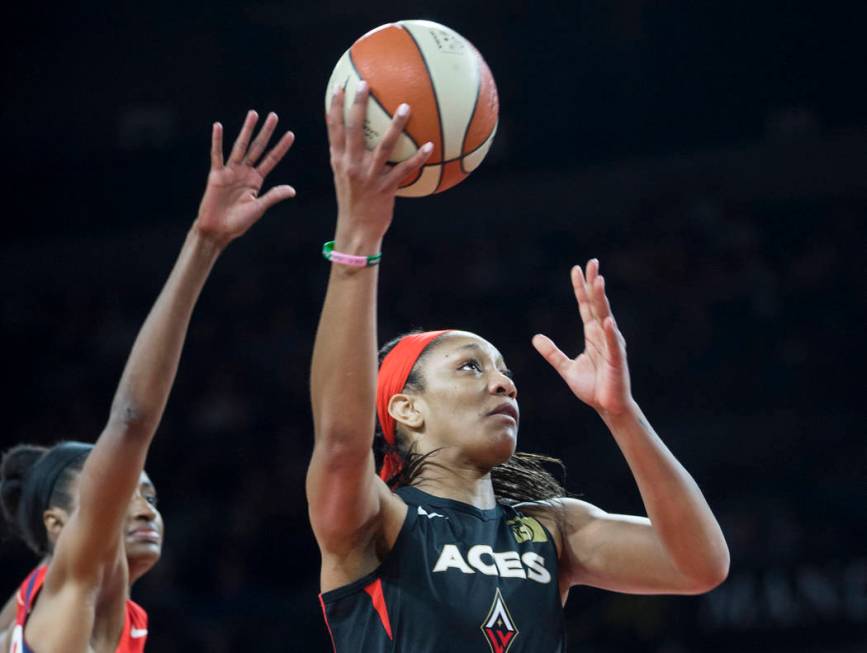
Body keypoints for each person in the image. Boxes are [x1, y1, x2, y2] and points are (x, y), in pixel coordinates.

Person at [307, 82, 730, 651]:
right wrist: (359, 238)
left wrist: (622, 414)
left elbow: (700, 565)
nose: (503, 381)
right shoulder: (377, 521)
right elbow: (339, 441)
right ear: (406, 408)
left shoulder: (552, 527)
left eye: (503, 370)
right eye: (469, 367)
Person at [0, 110, 296, 653]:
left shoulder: (81, 616)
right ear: (58, 524)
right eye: (118, 490)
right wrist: (203, 244)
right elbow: (131, 422)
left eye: (149, 494)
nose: (143, 508)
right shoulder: (67, 592)